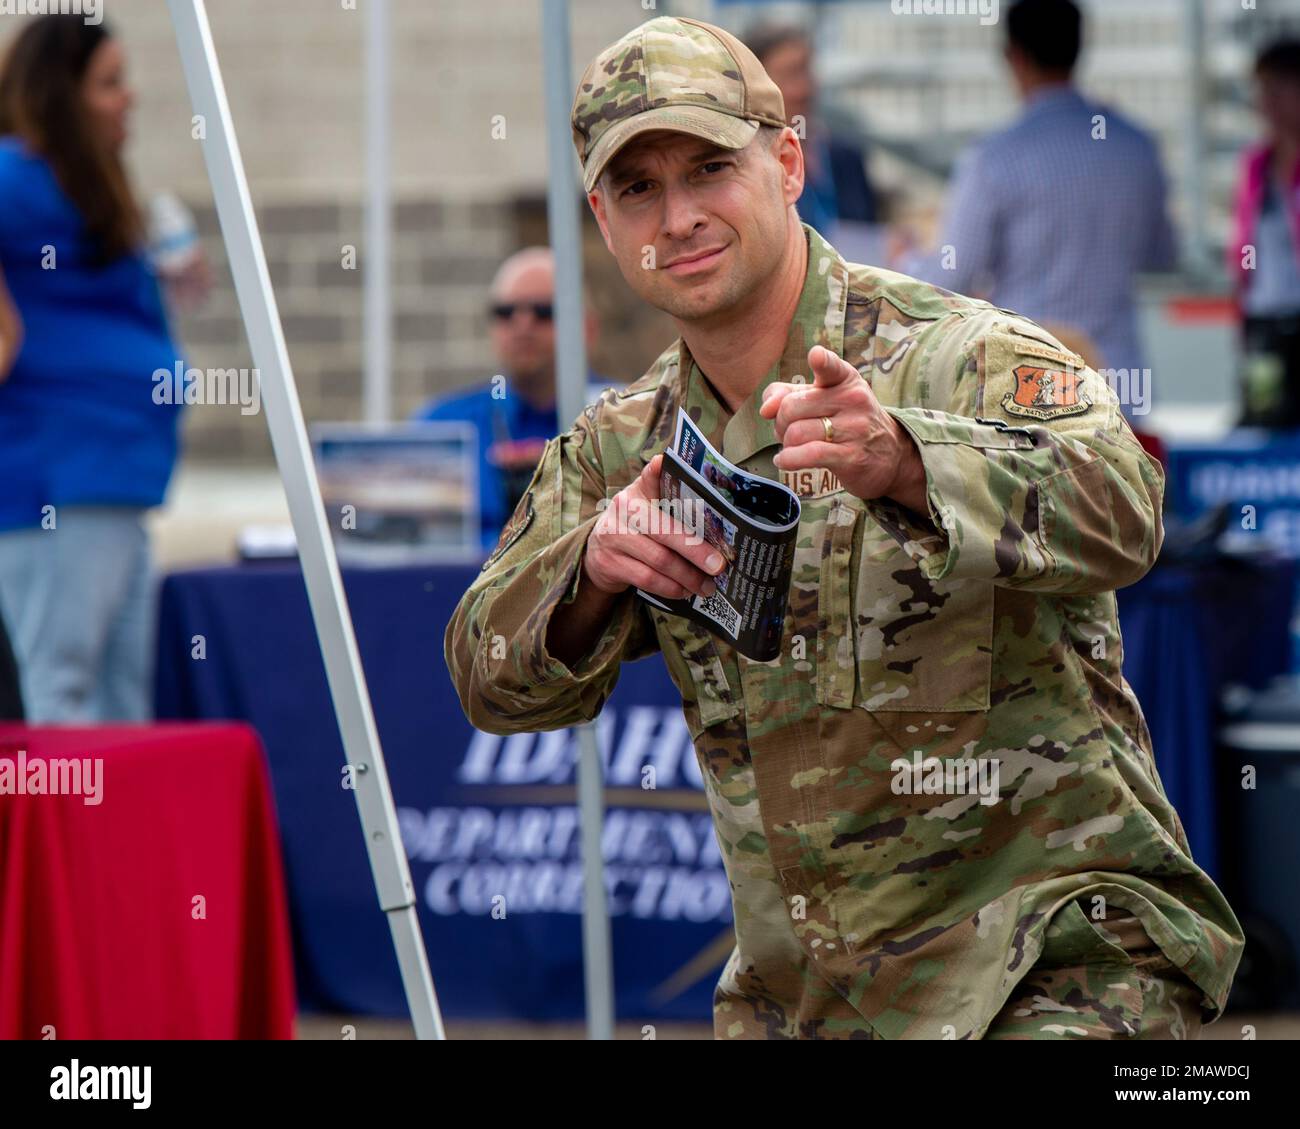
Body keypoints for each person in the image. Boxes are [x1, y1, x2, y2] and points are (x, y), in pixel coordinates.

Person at [445, 15, 1244, 1041]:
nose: (678, 215)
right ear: (602, 218)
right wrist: (592, 569)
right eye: (638, 187)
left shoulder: (965, 355)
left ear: (786, 161)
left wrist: (914, 462)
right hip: (808, 1003)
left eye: (707, 168)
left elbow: (1127, 510)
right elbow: (484, 674)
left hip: (1054, 970)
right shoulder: (624, 444)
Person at [0, 15, 191, 722]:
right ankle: (73, 834)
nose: (128, 98)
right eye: (109, 83)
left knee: (120, 708)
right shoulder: (13, 176)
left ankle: (112, 834)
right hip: (55, 479)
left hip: (116, 486)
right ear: (60, 92)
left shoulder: (79, 189)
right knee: (65, 693)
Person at [895, 0, 1176, 386]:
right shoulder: (1135, 146)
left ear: (1014, 56)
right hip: (1120, 380)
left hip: (1029, 384)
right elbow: (1163, 256)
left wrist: (904, 260)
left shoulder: (995, 158)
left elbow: (950, 276)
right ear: (1080, 46)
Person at [412, 246, 612, 554]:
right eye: (505, 313)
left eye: (544, 312)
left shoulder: (628, 417)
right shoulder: (440, 427)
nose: (523, 325)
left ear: (587, 328)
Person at [745, 23, 877, 238]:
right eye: (790, 75)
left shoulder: (845, 158)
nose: (804, 89)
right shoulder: (750, 165)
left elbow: (867, 231)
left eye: (806, 70)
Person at [1228, 38, 1300, 427]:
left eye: (1278, 87)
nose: (1267, 100)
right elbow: (1242, 249)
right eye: (1262, 89)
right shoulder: (1256, 166)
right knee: (1260, 422)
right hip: (1264, 325)